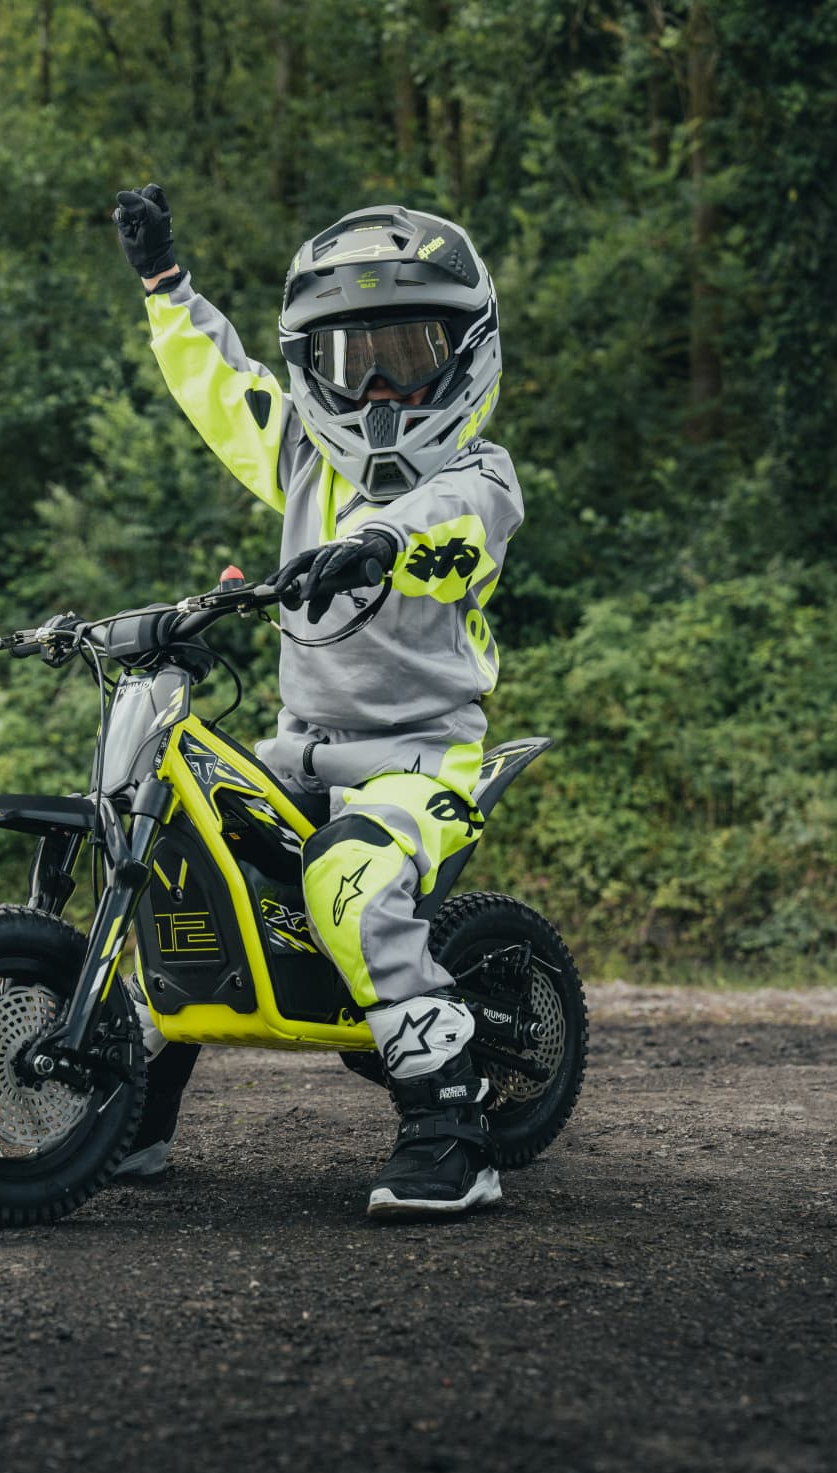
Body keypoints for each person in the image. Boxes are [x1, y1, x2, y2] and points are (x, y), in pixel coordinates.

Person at [111, 184, 524, 1218]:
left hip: (422, 760)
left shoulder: (482, 476)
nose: (380, 389)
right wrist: (167, 288)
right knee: (178, 847)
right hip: (300, 747)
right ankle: (128, 1109)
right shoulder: (300, 450)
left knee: (349, 879)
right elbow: (222, 388)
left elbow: (446, 529)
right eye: (351, 360)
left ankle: (453, 1127)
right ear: (316, 369)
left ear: (465, 351)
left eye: (411, 353)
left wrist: (378, 542)